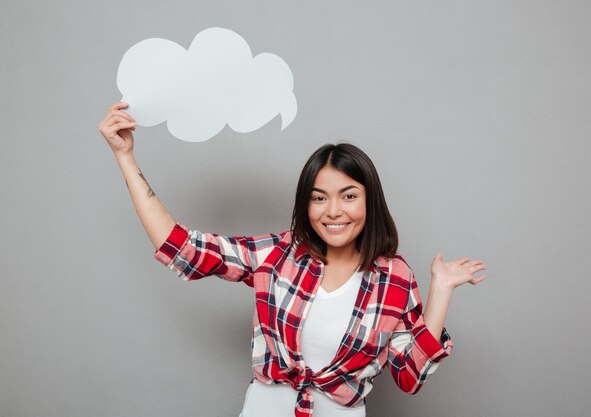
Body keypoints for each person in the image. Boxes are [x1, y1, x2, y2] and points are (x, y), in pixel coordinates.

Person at [98, 102, 487, 417]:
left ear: (370, 201)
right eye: (319, 197)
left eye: (348, 195)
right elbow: (182, 247)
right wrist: (125, 158)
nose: (333, 210)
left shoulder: (394, 276)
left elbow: (410, 376)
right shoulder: (280, 254)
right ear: (307, 203)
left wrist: (441, 290)